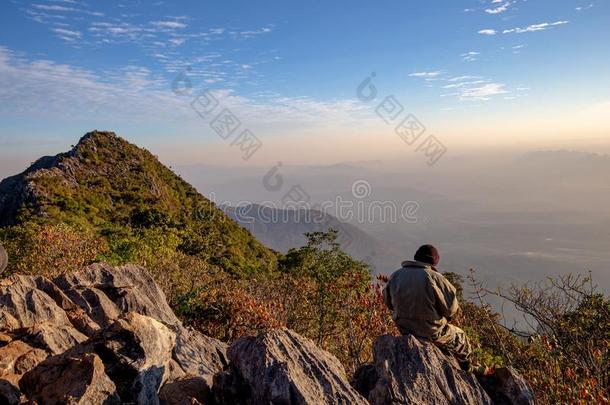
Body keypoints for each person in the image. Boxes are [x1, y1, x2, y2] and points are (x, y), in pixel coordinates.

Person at [382, 244, 473, 370]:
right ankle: (466, 368)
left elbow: (388, 303)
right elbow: (450, 309)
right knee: (461, 336)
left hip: (404, 329)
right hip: (431, 331)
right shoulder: (435, 278)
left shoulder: (396, 275)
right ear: (434, 261)